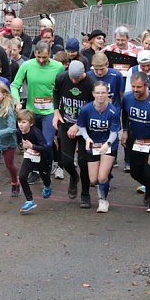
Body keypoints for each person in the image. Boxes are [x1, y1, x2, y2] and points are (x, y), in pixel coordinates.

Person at [121, 71, 150, 212]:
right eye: (133, 86)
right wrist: (125, 130)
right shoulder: (128, 98)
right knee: (134, 172)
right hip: (134, 140)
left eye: (139, 87)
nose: (135, 90)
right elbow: (124, 113)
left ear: (146, 85)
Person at [53, 60, 96, 207]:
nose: (74, 81)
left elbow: (93, 108)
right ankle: (73, 176)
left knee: (84, 163)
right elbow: (56, 93)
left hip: (84, 128)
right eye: (72, 78)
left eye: (77, 79)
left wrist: (78, 125)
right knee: (66, 161)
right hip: (66, 124)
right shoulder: (61, 78)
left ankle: (85, 194)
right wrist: (56, 111)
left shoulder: (90, 84)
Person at [77, 80, 121, 213]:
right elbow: (82, 126)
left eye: (103, 93)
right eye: (98, 93)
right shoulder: (86, 109)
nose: (100, 96)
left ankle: (103, 200)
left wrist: (107, 144)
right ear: (93, 94)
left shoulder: (113, 111)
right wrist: (87, 138)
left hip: (109, 144)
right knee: (94, 179)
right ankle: (105, 180)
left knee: (102, 177)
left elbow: (114, 132)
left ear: (107, 93)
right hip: (93, 144)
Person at [16, 109, 53, 213]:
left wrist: (32, 146)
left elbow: (46, 148)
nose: (21, 125)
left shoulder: (36, 133)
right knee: (22, 176)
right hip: (30, 156)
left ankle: (47, 185)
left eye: (24, 122)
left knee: (44, 176)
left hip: (43, 158)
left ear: (31, 123)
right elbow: (14, 133)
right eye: (19, 122)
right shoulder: (19, 131)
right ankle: (29, 201)